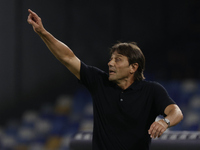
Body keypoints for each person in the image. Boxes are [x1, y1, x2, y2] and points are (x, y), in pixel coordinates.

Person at [27, 9, 183, 150]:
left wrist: (165, 122)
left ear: (133, 67)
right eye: (111, 59)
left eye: (118, 59)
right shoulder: (99, 81)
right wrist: (42, 32)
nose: (110, 63)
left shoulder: (151, 90)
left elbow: (176, 112)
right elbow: (68, 57)